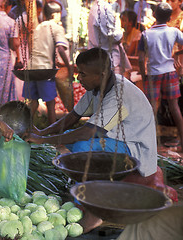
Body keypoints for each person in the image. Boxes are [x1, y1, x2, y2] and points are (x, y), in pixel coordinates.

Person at [25, 47, 177, 232]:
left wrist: (44, 140)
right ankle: (83, 198)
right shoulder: (97, 87)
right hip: (116, 140)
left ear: (102, 74)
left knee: (81, 147)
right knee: (71, 146)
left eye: (83, 74)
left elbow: (87, 132)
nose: (78, 78)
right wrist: (42, 133)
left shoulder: (119, 95)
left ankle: (93, 215)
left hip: (135, 148)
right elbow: (72, 117)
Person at [138, 2, 183, 151]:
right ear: (170, 17)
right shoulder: (174, 32)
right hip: (170, 72)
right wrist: (176, 54)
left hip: (153, 74)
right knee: (175, 108)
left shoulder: (145, 34)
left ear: (155, 15)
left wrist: (143, 75)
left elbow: (141, 58)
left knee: (152, 109)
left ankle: (151, 144)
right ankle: (182, 143)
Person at [21, 0, 71, 125]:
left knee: (33, 101)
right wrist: (69, 65)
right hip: (44, 70)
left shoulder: (38, 27)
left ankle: (24, 128)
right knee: (50, 102)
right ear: (56, 15)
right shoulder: (56, 27)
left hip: (31, 68)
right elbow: (60, 48)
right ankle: (52, 132)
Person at [87, 0, 131, 75]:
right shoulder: (103, 9)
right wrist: (120, 32)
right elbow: (115, 37)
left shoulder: (97, 7)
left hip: (101, 58)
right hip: (108, 60)